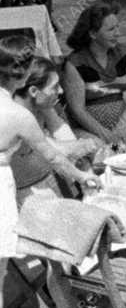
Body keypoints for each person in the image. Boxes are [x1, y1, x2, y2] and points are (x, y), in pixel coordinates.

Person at [0, 37, 100, 308]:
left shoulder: (36, 108)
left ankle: (80, 295)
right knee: (65, 243)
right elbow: (54, 158)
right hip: (20, 196)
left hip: (39, 189)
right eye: (53, 87)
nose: (59, 92)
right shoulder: (19, 117)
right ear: (31, 89)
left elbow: (63, 144)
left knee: (82, 212)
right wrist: (81, 174)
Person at [11, 55, 99, 200]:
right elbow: (50, 153)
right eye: (55, 87)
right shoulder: (15, 117)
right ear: (34, 91)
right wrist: (80, 148)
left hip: (46, 177)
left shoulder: (39, 102)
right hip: (23, 193)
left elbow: (58, 127)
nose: (61, 91)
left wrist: (82, 161)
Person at [63, 0, 126, 145]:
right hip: (90, 129)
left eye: (118, 27)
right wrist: (106, 135)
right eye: (111, 30)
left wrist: (123, 124)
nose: (118, 33)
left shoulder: (122, 54)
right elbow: (77, 110)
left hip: (122, 122)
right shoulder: (75, 64)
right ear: (93, 33)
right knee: (100, 152)